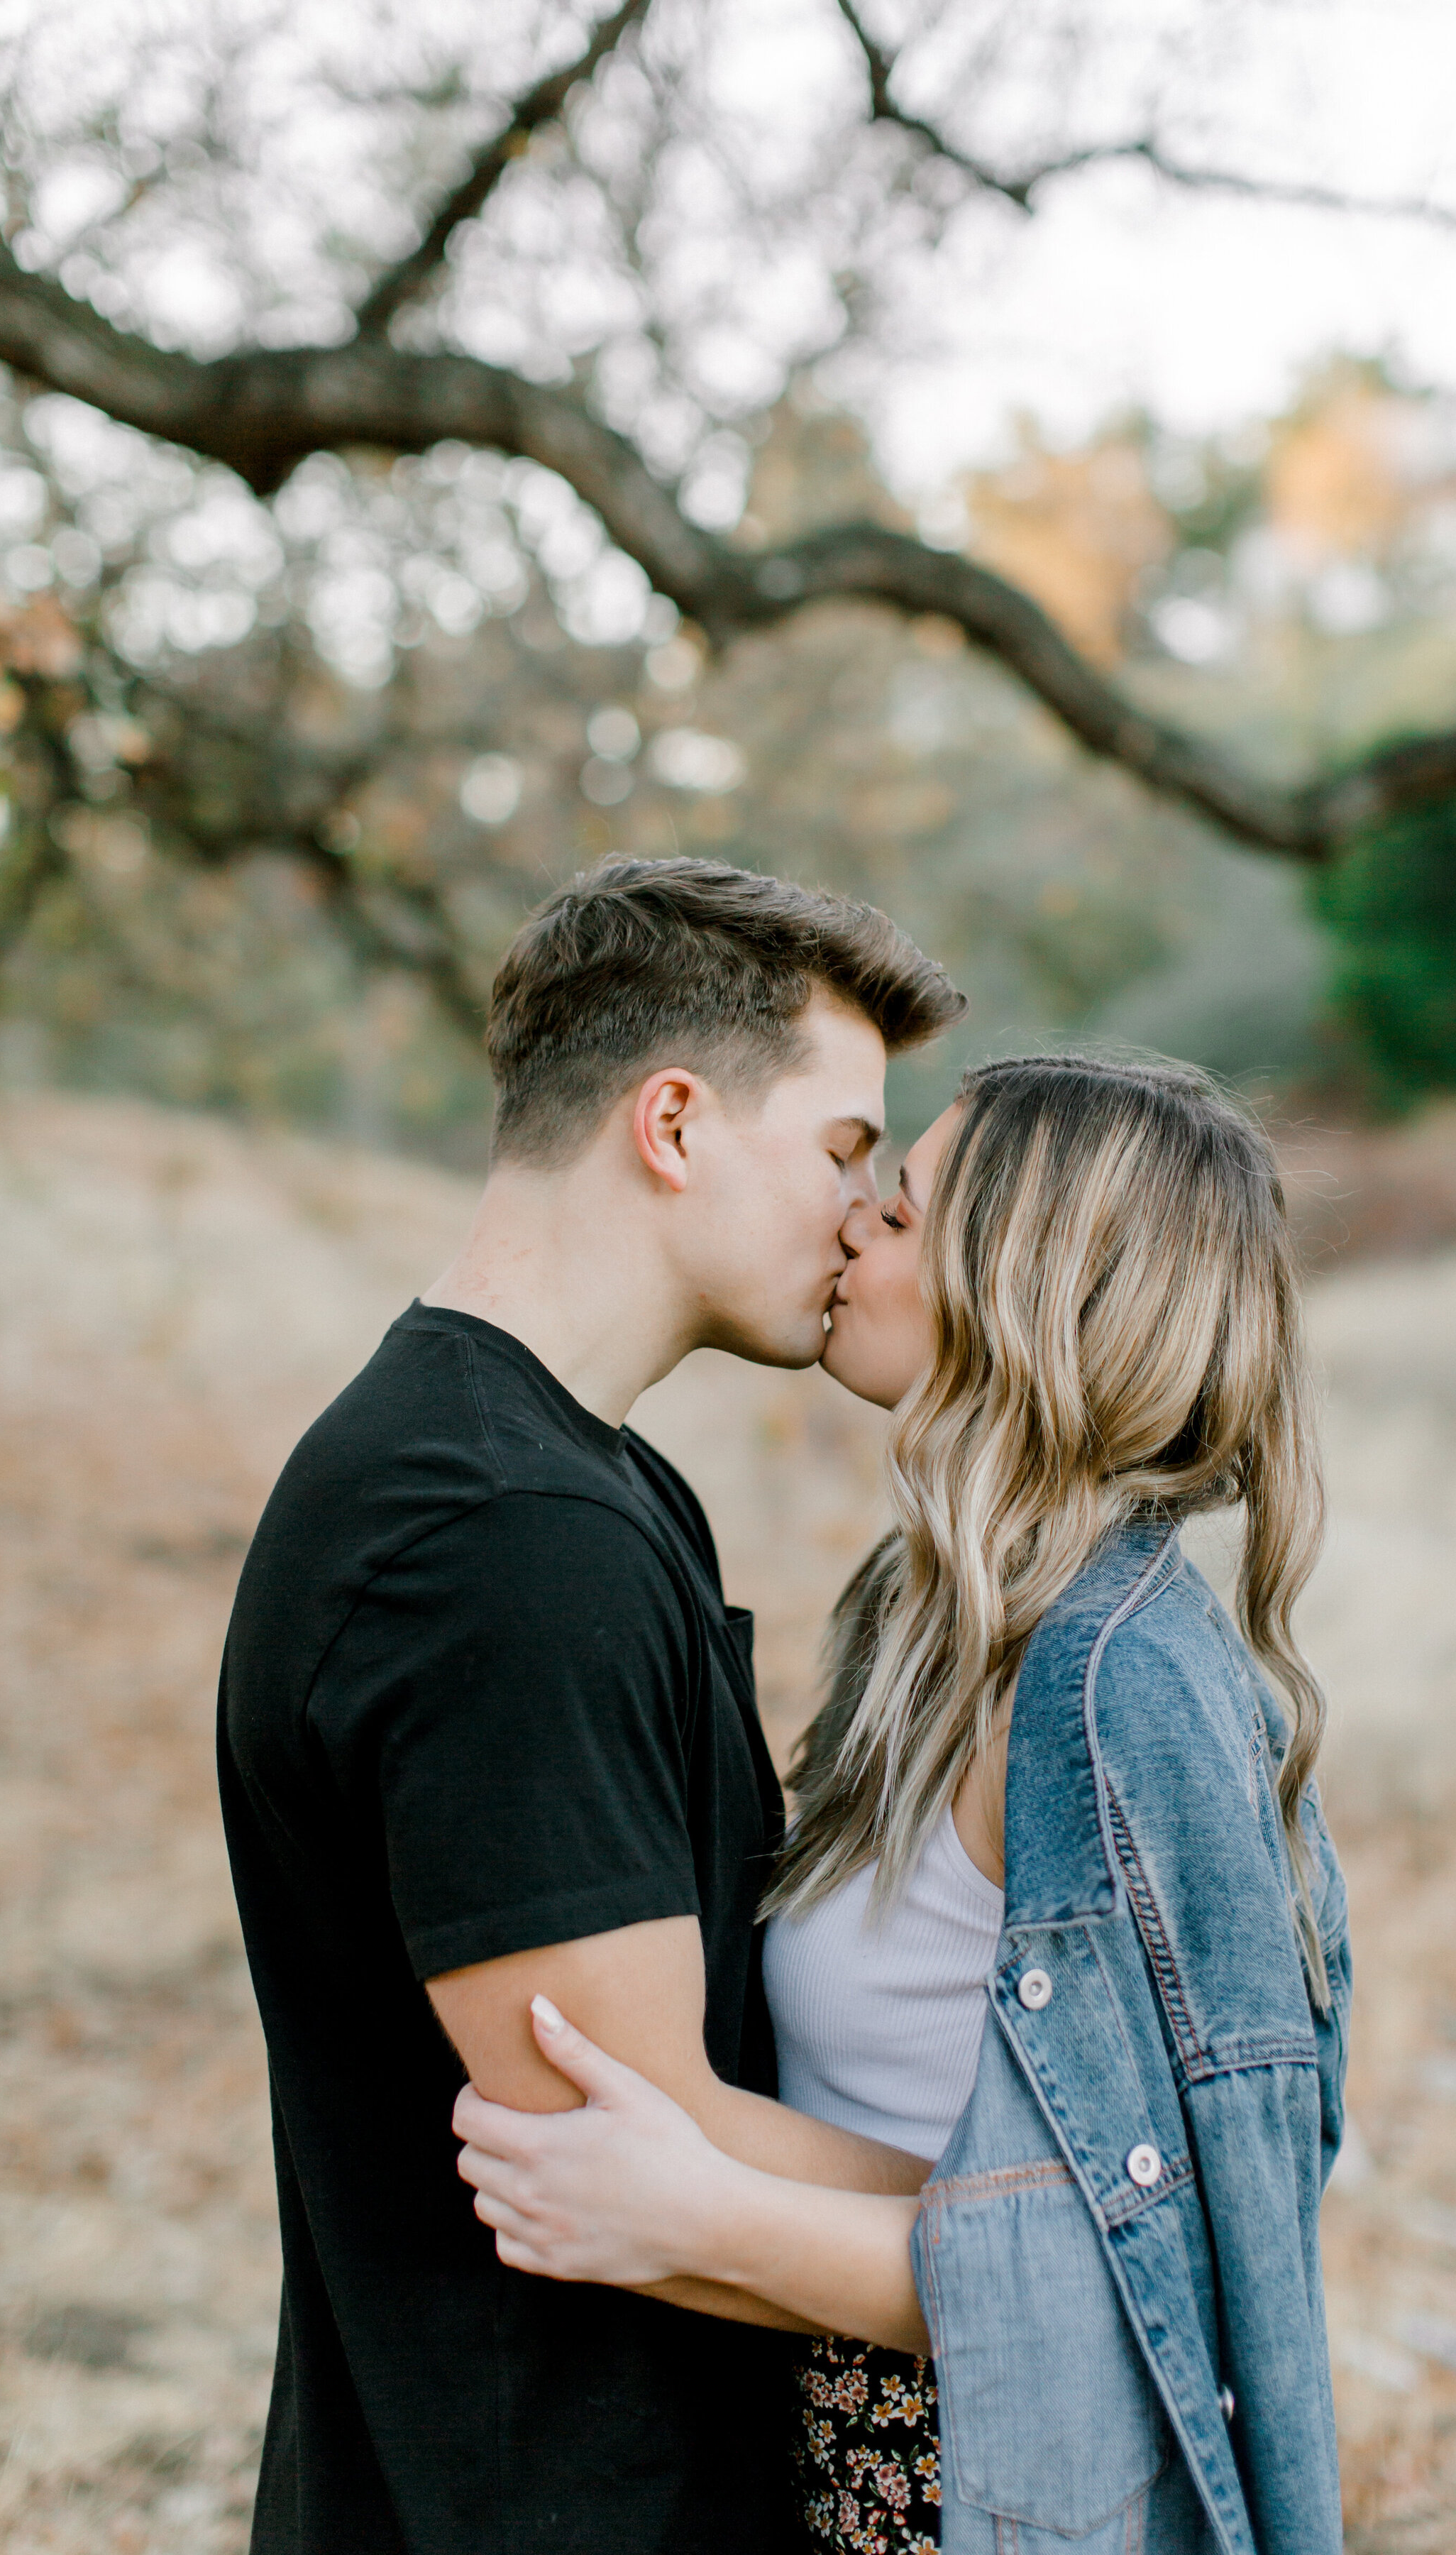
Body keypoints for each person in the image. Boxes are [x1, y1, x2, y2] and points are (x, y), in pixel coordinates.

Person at [452, 1053, 1353, 2555]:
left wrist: (696, 2217)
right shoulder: (928, 1617)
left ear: (1023, 1290)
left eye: (908, 1205)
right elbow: (956, 2153)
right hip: (853, 2459)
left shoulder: (1114, 1691)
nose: (855, 1220)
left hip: (1005, 2498)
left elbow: (1148, 2271)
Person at [216, 855, 966, 2554]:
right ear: (677, 1124)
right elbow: (640, 2149)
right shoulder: (500, 1542)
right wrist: (1060, 2240)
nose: (867, 1216)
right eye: (847, 1153)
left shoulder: (586, 1485)